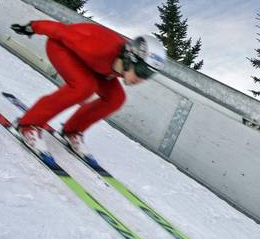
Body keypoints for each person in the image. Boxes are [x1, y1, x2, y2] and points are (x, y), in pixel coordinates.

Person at [10, 20, 165, 156]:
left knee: (116, 98)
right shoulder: (98, 47)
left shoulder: (122, 65)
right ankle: (28, 124)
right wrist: (32, 26)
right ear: (130, 58)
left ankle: (72, 130)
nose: (141, 79)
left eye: (148, 75)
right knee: (84, 87)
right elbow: (60, 31)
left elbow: (106, 68)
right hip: (61, 47)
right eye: (142, 71)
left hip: (95, 66)